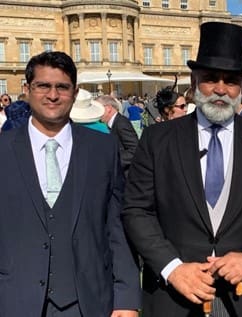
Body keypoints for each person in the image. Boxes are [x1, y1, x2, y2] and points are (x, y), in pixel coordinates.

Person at [122, 21, 242, 317]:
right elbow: (137, 210)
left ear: (241, 88)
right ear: (194, 82)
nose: (220, 88)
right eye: (210, 78)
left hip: (240, 297)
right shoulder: (158, 139)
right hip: (172, 294)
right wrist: (172, 268)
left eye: (230, 81)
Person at [0, 51, 141, 317]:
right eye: (43, 86)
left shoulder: (102, 148)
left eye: (61, 87)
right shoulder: (3, 150)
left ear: (74, 94)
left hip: (87, 301)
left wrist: (126, 298)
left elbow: (117, 226)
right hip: (14, 299)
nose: (52, 95)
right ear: (28, 90)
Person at [96, 94, 139, 176]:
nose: (96, 113)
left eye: (98, 109)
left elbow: (135, 150)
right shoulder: (113, 123)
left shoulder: (121, 123)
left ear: (108, 108)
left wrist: (112, 160)